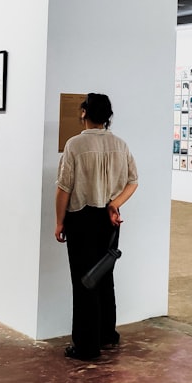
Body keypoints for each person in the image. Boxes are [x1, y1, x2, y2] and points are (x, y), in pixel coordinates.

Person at [55, 93, 138, 361]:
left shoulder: (75, 145)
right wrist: (115, 204)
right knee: (104, 277)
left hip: (81, 218)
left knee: (84, 282)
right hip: (108, 220)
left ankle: (86, 346)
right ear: (108, 116)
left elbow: (64, 188)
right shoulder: (120, 144)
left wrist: (59, 221)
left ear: (84, 113)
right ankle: (106, 335)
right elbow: (133, 181)